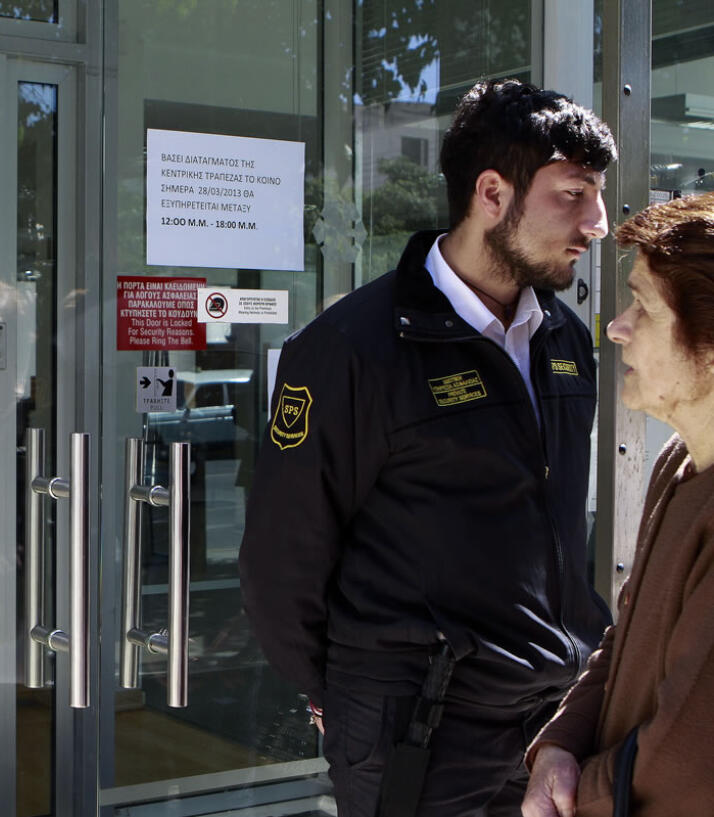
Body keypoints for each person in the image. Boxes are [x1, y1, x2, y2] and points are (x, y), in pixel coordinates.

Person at [238, 79, 616, 816]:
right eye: (573, 193)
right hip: (418, 734)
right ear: (492, 193)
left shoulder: (566, 340)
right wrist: (347, 692)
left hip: (553, 725)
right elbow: (281, 559)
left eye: (597, 194)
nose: (597, 221)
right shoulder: (353, 347)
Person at [522, 193, 714, 817]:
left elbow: (686, 766)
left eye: (644, 307)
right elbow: (625, 638)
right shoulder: (677, 462)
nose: (616, 326)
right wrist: (559, 744)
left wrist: (580, 795)